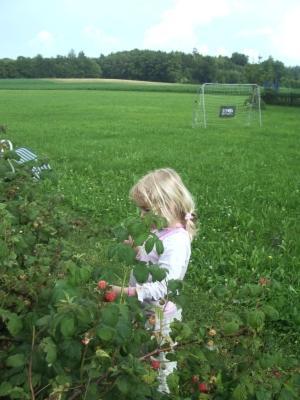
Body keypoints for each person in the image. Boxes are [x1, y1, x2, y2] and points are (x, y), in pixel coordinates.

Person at [111, 168, 197, 393]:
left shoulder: (177, 242)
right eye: (140, 210)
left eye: (147, 210)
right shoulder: (159, 230)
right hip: (143, 308)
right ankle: (139, 385)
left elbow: (164, 286)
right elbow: (150, 257)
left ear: (167, 206)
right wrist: (136, 248)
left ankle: (163, 393)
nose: (142, 216)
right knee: (141, 353)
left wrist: (124, 291)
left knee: (163, 363)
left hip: (161, 314)